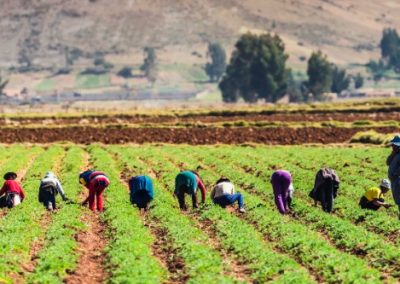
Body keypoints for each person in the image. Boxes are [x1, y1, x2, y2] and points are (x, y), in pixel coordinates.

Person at [387, 135, 400, 218]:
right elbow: (388, 162)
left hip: (398, 180)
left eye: (394, 145)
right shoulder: (395, 154)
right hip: (394, 181)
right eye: (392, 145)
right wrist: (393, 153)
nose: (392, 147)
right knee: (397, 198)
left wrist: (396, 173)